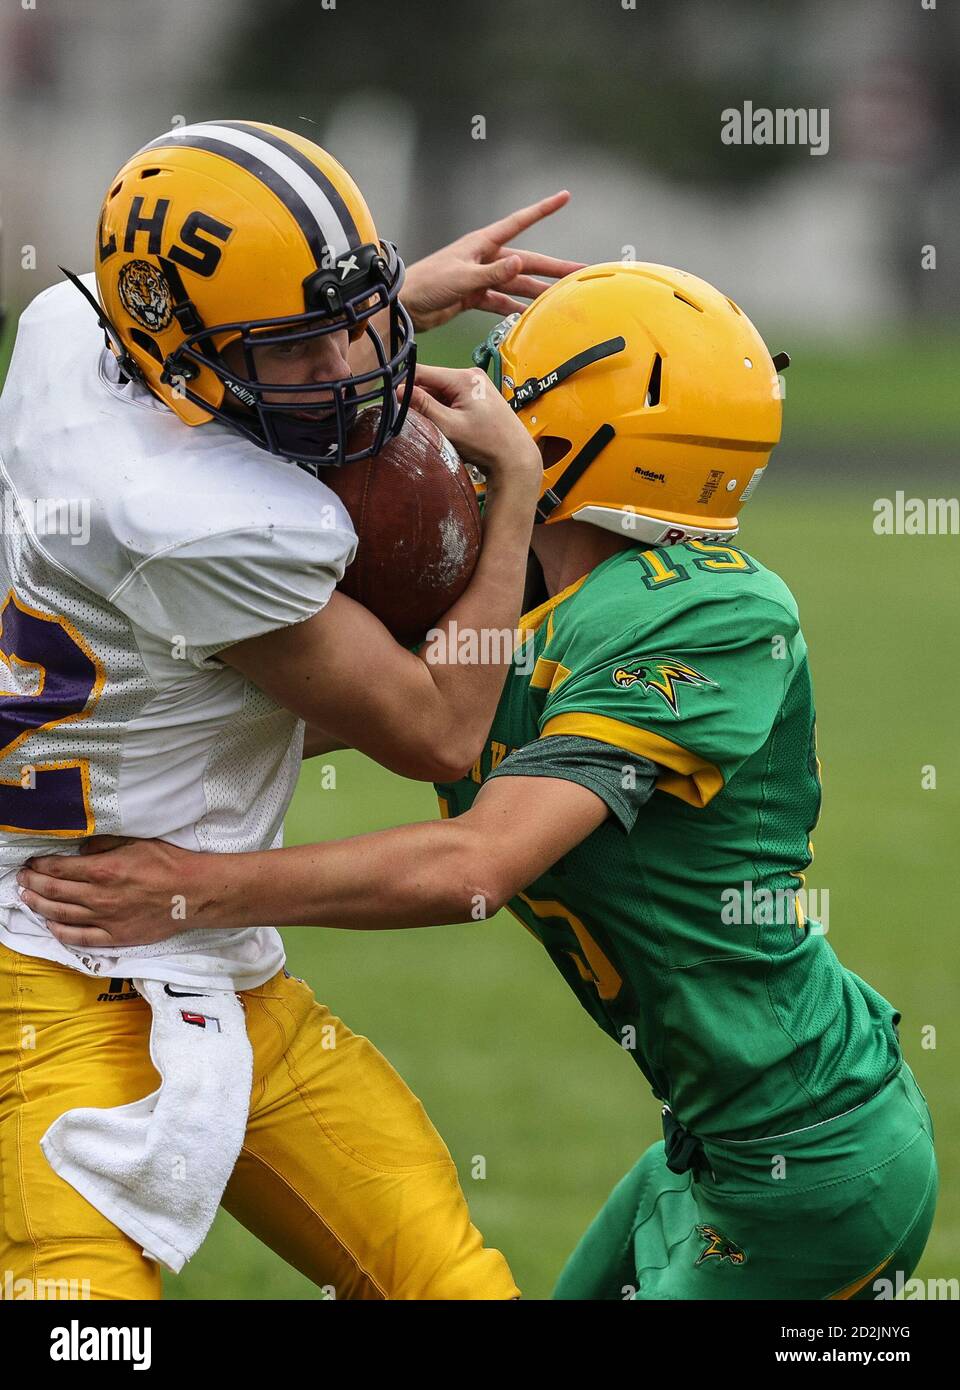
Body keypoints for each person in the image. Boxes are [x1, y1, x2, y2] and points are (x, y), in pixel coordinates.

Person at [31, 261, 939, 1301]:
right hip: (715, 1146)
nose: (476, 405)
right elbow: (273, 713)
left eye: (513, 388)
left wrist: (193, 886)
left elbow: (477, 865)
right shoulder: (529, 594)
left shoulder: (711, 615)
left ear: (570, 437)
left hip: (814, 1162)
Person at [0, 117, 583, 1300]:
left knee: (453, 1288)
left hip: (207, 946)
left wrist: (404, 294)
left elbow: (216, 375)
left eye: (349, 322)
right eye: (301, 346)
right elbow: (438, 729)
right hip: (57, 962)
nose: (354, 367)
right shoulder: (202, 521)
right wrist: (513, 492)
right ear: (178, 341)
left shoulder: (69, 332)